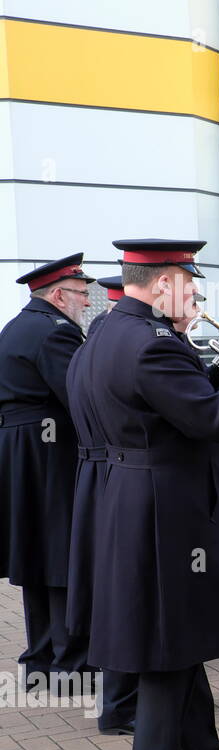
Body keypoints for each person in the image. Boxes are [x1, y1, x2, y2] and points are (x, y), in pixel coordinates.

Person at [69, 238, 219, 750]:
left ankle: (197, 739)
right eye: (191, 286)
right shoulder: (153, 344)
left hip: (132, 489)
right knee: (168, 635)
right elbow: (212, 419)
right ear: (164, 283)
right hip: (164, 502)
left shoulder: (106, 332)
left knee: (181, 624)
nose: (197, 298)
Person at [0, 254, 93, 692]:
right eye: (81, 293)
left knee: (35, 554)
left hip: (23, 447)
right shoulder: (57, 332)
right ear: (58, 295)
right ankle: (70, 665)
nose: (87, 301)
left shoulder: (20, 324)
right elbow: (80, 397)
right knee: (61, 553)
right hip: (50, 449)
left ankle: (38, 659)